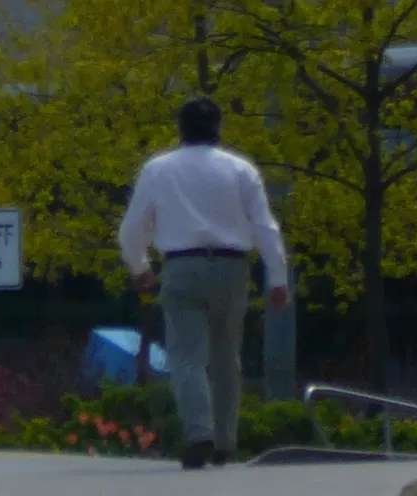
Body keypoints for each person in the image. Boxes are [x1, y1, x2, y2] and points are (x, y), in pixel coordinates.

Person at [118, 96, 290, 470]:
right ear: (219, 128)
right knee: (227, 356)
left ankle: (199, 432)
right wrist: (277, 277)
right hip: (232, 268)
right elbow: (265, 226)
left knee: (186, 356)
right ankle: (225, 440)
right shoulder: (241, 169)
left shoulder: (158, 169)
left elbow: (131, 228)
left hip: (181, 266)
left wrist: (140, 266)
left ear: (180, 129)